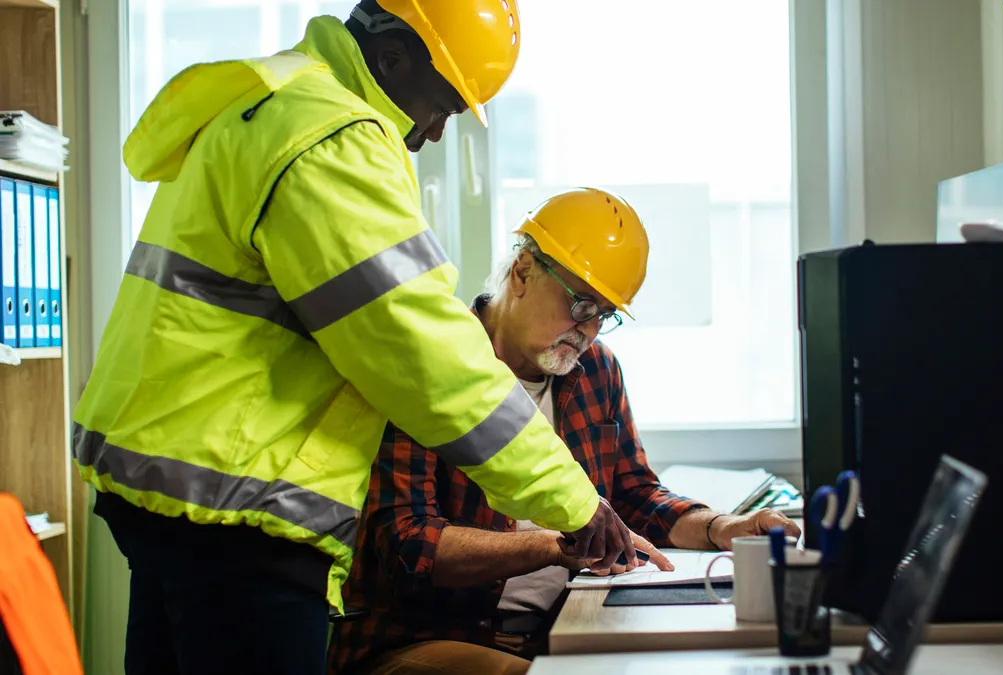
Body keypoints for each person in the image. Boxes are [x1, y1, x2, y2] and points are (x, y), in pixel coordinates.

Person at [70, 3, 634, 674]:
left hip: (177, 500)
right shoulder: (330, 136)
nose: (430, 134)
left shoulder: (279, 103)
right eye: (443, 107)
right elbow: (425, 354)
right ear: (393, 56)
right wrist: (573, 503)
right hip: (240, 515)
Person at [327, 188, 803, 675]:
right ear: (523, 272)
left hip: (562, 630)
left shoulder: (595, 369)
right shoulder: (430, 366)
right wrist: (562, 543)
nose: (589, 331)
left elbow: (634, 495)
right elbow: (407, 548)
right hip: (424, 636)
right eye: (581, 306)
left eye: (605, 315)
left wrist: (722, 528)